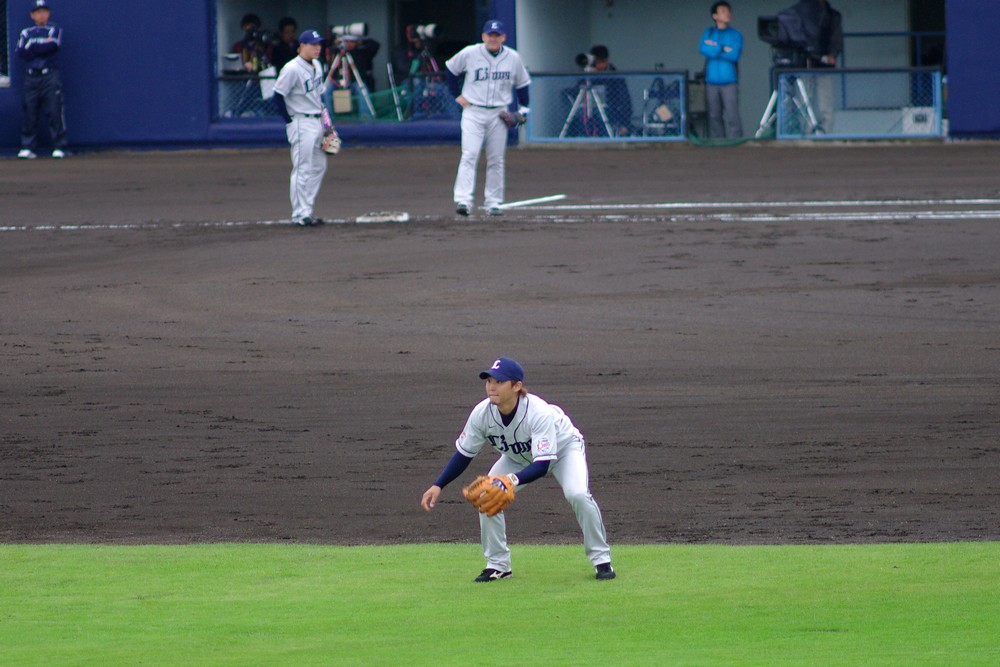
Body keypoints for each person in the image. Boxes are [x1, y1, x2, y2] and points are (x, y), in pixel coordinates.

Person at [421, 357, 616, 582]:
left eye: (499, 381)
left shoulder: (538, 412)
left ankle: (601, 559)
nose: (491, 386)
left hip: (564, 451)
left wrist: (510, 480)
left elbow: (542, 465)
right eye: (489, 381)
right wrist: (439, 484)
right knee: (487, 493)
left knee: (578, 494)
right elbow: (464, 454)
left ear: (516, 386)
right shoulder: (482, 413)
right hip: (518, 458)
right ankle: (498, 565)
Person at [445, 20, 531, 217]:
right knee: (469, 155)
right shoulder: (470, 53)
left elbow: (523, 84)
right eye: (489, 35)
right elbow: (451, 69)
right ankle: (463, 200)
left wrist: (524, 112)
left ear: (503, 37)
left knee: (496, 159)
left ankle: (493, 203)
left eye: (497, 35)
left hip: (499, 114)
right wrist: (456, 94)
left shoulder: (513, 58)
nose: (493, 38)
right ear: (483, 36)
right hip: (473, 112)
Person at [272, 29, 328, 227]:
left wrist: (327, 125)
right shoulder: (291, 68)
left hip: (317, 121)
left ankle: (307, 210)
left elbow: (318, 98)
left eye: (319, 44)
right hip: (300, 122)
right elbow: (277, 96)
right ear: (301, 46)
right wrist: (289, 121)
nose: (317, 48)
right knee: (302, 168)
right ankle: (299, 213)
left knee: (319, 165)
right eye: (313, 44)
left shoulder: (318, 65)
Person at [16, 0, 67, 159]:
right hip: (31, 76)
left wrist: (33, 47)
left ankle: (59, 146)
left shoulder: (54, 29)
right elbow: (21, 53)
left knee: (54, 110)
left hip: (49, 76)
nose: (41, 15)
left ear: (48, 13)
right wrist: (38, 46)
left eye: (44, 11)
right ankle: (27, 146)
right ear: (32, 15)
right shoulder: (26, 32)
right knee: (30, 111)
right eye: (38, 12)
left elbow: (52, 47)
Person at [698, 2, 743, 138]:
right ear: (715, 16)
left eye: (728, 11)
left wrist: (714, 48)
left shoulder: (736, 35)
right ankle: (719, 144)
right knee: (714, 115)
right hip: (711, 81)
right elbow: (703, 48)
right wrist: (723, 48)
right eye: (723, 11)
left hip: (729, 81)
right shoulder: (709, 32)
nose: (727, 13)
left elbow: (734, 55)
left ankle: (736, 143)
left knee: (732, 115)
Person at [586, 45, 632, 136]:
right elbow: (579, 91)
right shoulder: (587, 75)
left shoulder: (615, 77)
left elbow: (625, 100)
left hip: (610, 111)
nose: (601, 65)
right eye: (598, 62)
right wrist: (590, 74)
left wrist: (625, 124)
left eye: (603, 62)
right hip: (588, 110)